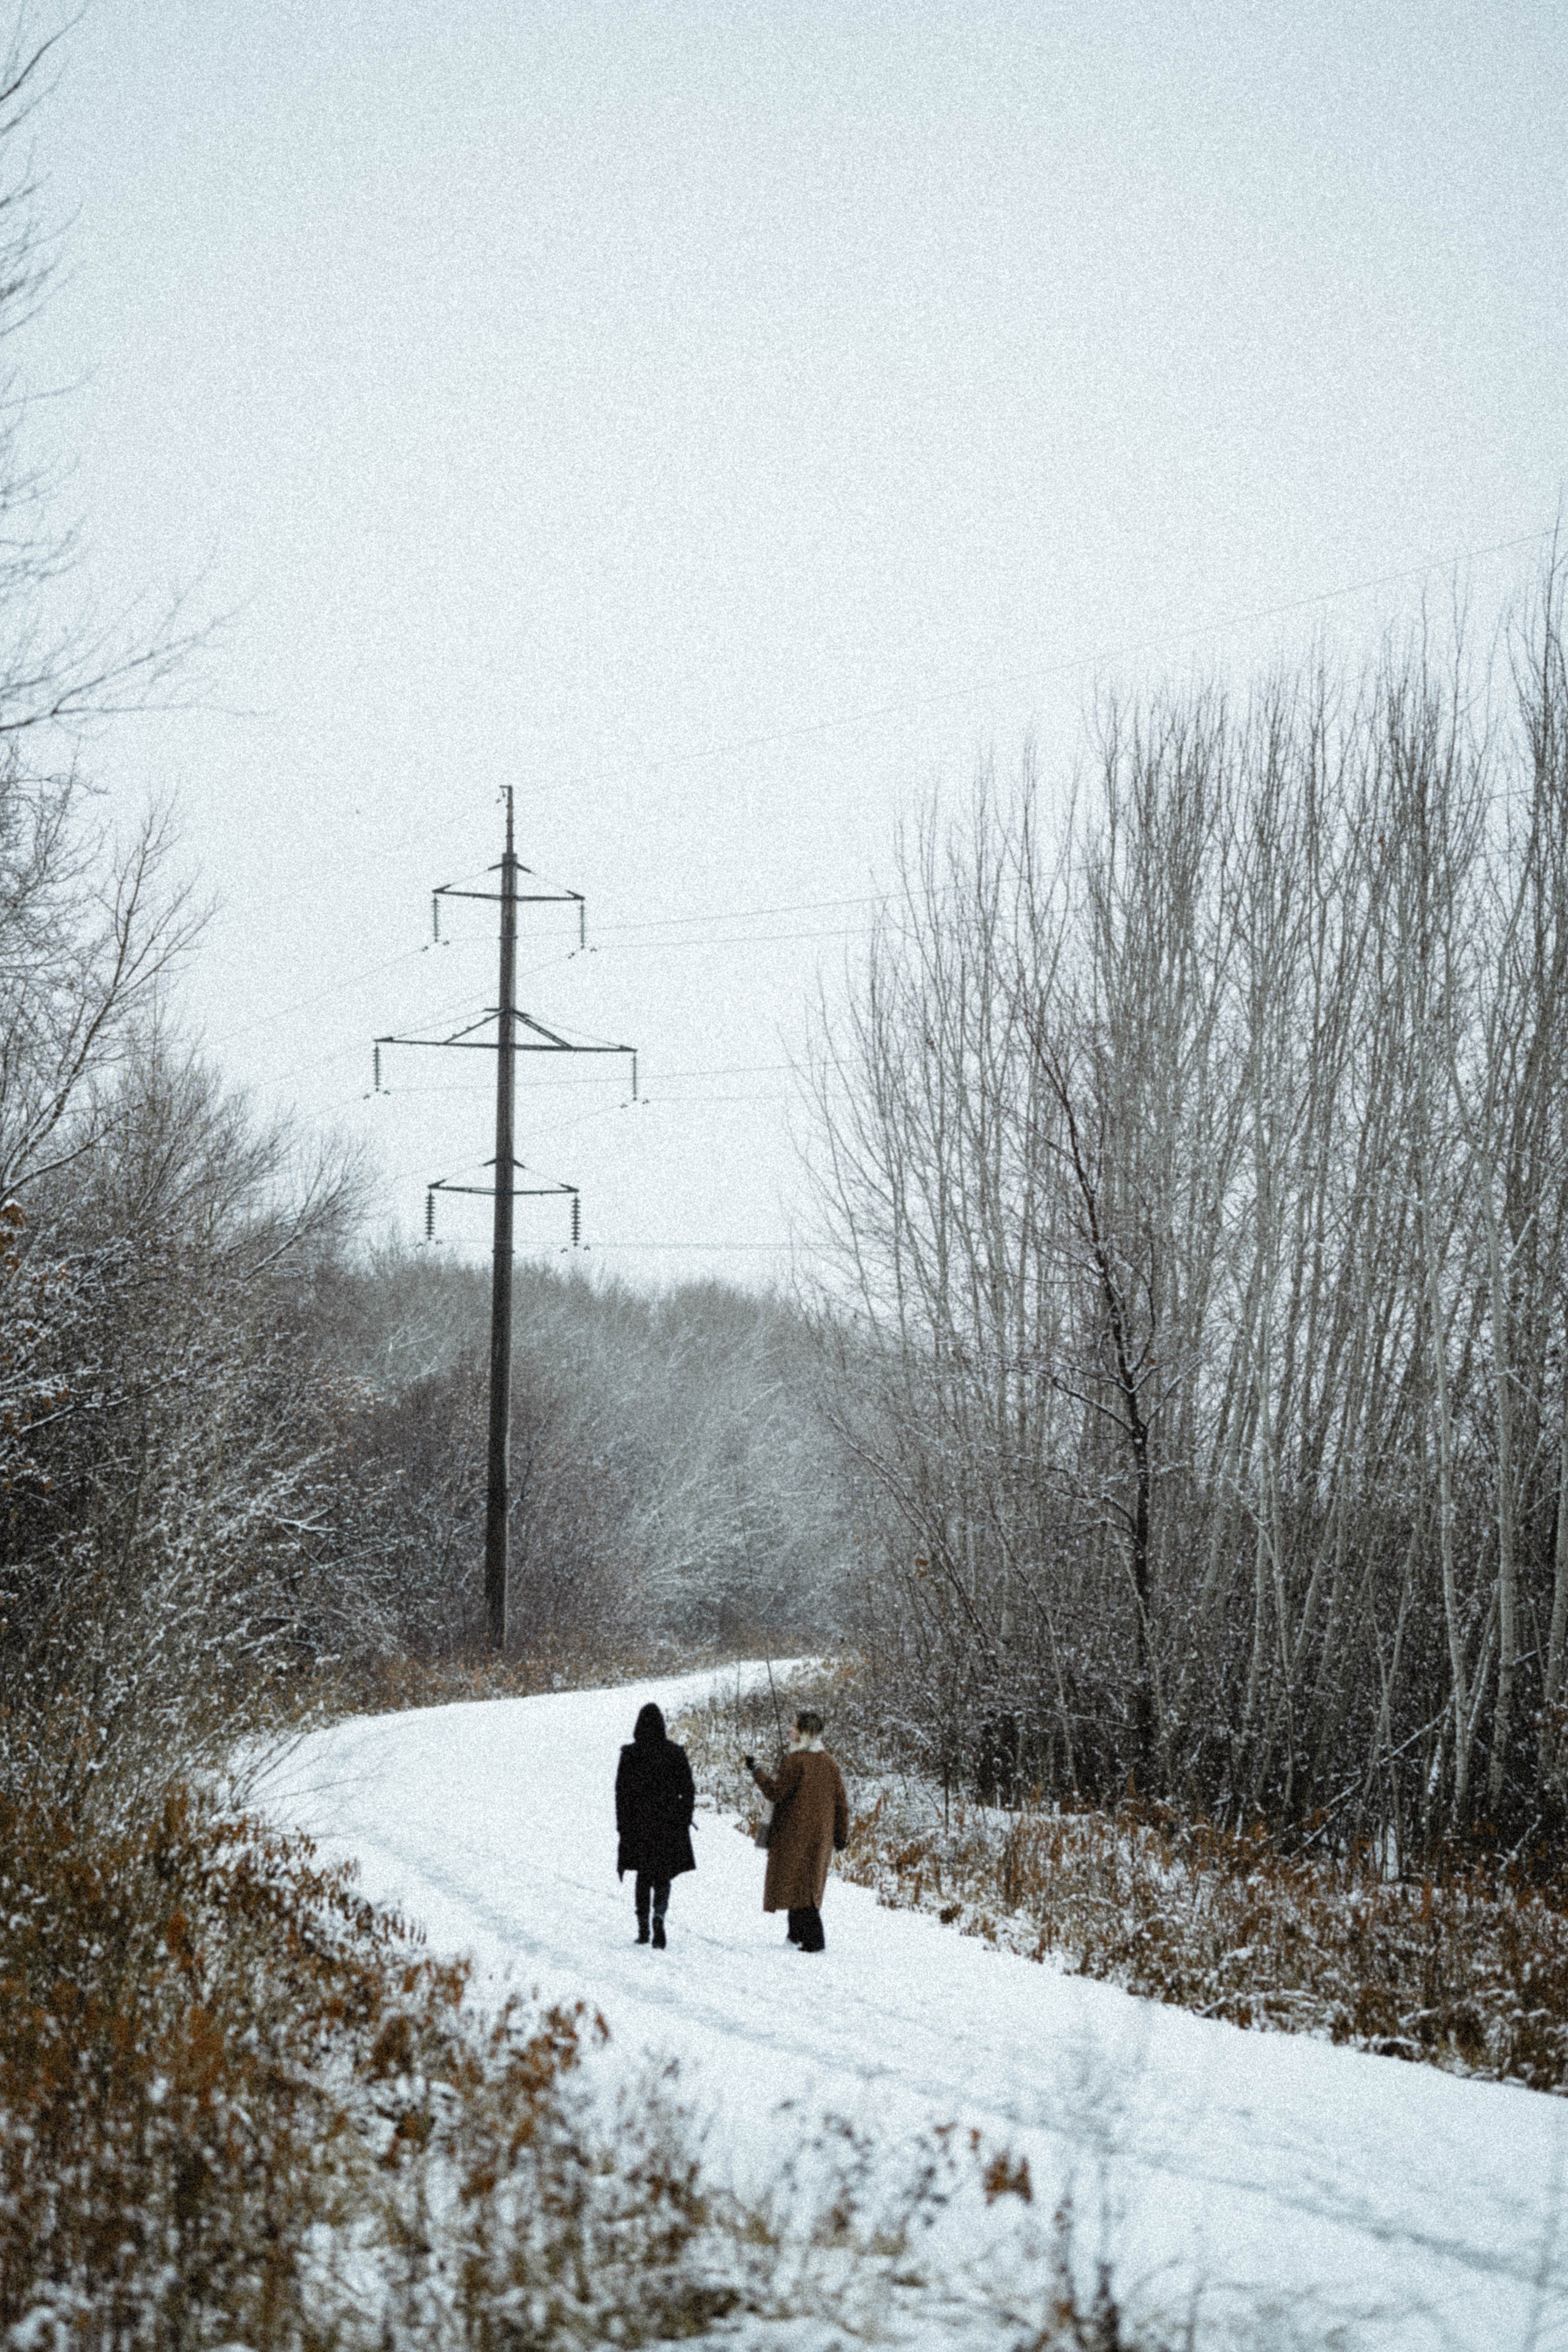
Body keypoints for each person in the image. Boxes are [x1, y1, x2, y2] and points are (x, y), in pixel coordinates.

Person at [744, 1708, 850, 1953]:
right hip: (820, 1837)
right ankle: (794, 1936)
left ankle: (814, 1941)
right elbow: (841, 1803)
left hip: (795, 1835)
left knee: (798, 1883)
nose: (789, 1729)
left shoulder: (795, 1761)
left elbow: (776, 1793)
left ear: (804, 1733)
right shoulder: (829, 1761)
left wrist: (756, 1771)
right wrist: (841, 1836)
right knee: (805, 1884)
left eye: (794, 1726)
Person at [615, 1700, 696, 1947]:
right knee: (662, 1876)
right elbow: (689, 1789)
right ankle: (659, 1917)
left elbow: (621, 1793)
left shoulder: (630, 1754)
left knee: (643, 1875)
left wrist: (623, 1824)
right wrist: (683, 1816)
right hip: (668, 1824)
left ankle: (643, 1928)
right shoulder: (675, 1753)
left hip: (639, 1825)